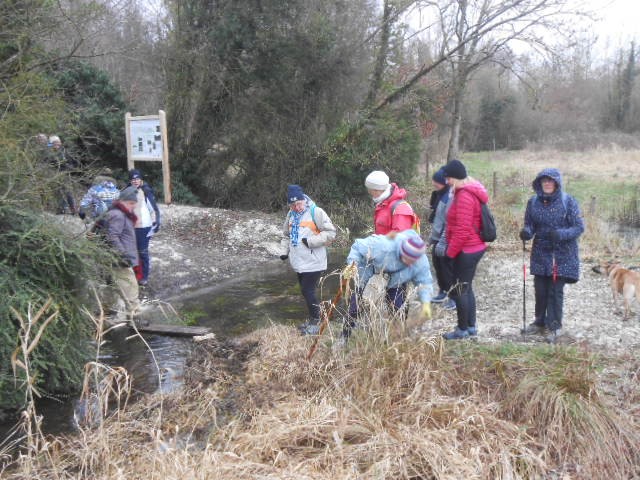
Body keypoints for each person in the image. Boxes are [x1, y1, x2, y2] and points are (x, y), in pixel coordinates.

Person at [519, 168, 584, 343]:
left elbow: (578, 227)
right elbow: (530, 224)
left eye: (550, 180)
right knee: (540, 290)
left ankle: (554, 327)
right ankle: (539, 322)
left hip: (562, 253)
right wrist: (526, 232)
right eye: (544, 180)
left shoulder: (568, 201)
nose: (547, 183)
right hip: (540, 252)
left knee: (555, 291)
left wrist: (561, 234)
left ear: (557, 183)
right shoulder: (533, 202)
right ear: (539, 183)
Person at [342, 229, 433, 339]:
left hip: (395, 282)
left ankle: (397, 337)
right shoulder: (383, 245)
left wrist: (426, 302)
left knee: (399, 310)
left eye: (413, 260)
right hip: (370, 276)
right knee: (355, 308)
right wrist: (352, 264)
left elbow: (425, 281)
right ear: (402, 252)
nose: (411, 263)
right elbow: (358, 247)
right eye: (408, 259)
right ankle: (344, 336)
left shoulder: (420, 261)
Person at [438, 159, 488, 340]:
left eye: (449, 178)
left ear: (456, 177)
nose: (447, 181)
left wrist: (450, 253)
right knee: (466, 288)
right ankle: (471, 327)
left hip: (467, 249)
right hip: (472, 247)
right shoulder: (462, 191)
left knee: (459, 289)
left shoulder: (465, 196)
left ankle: (462, 329)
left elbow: (462, 230)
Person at [279, 185, 336, 335]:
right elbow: (286, 235)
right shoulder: (290, 214)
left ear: (304, 200)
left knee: (307, 290)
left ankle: (315, 322)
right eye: (293, 205)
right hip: (298, 262)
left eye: (299, 203)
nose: (297, 207)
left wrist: (310, 242)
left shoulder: (315, 212)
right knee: (306, 292)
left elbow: (331, 233)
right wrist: (284, 251)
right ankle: (313, 319)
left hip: (314, 261)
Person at [104, 186, 141, 320]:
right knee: (130, 285)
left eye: (134, 204)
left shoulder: (118, 213)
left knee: (113, 285)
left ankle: (110, 313)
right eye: (131, 204)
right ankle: (135, 316)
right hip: (120, 258)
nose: (133, 207)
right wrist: (123, 255)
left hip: (117, 257)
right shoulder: (118, 215)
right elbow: (112, 236)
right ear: (123, 202)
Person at [428, 167, 456, 311]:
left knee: (447, 267)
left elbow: (449, 221)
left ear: (444, 182)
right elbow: (437, 218)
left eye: (436, 183)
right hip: (438, 237)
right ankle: (442, 291)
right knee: (437, 264)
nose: (434, 185)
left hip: (447, 239)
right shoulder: (440, 194)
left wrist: (443, 241)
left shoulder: (450, 197)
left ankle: (453, 297)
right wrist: (433, 238)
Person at [127, 169, 160, 287]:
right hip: (130, 227)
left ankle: (143, 277)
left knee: (142, 252)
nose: (135, 181)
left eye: (137, 178)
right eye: (133, 179)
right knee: (132, 252)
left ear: (141, 179)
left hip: (144, 227)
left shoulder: (146, 191)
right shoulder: (126, 192)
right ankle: (136, 276)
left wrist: (156, 222)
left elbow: (153, 209)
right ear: (130, 180)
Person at [364, 170, 417, 234]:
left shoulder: (400, 209)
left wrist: (377, 241)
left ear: (376, 190)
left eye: (370, 190)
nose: (369, 193)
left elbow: (400, 239)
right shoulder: (382, 204)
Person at [47, 135, 77, 214]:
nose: (57, 144)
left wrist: (68, 168)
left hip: (64, 174)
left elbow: (72, 163)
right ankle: (61, 208)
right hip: (54, 174)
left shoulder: (64, 152)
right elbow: (48, 161)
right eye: (55, 143)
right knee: (57, 192)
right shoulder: (50, 152)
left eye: (58, 142)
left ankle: (72, 208)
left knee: (67, 192)